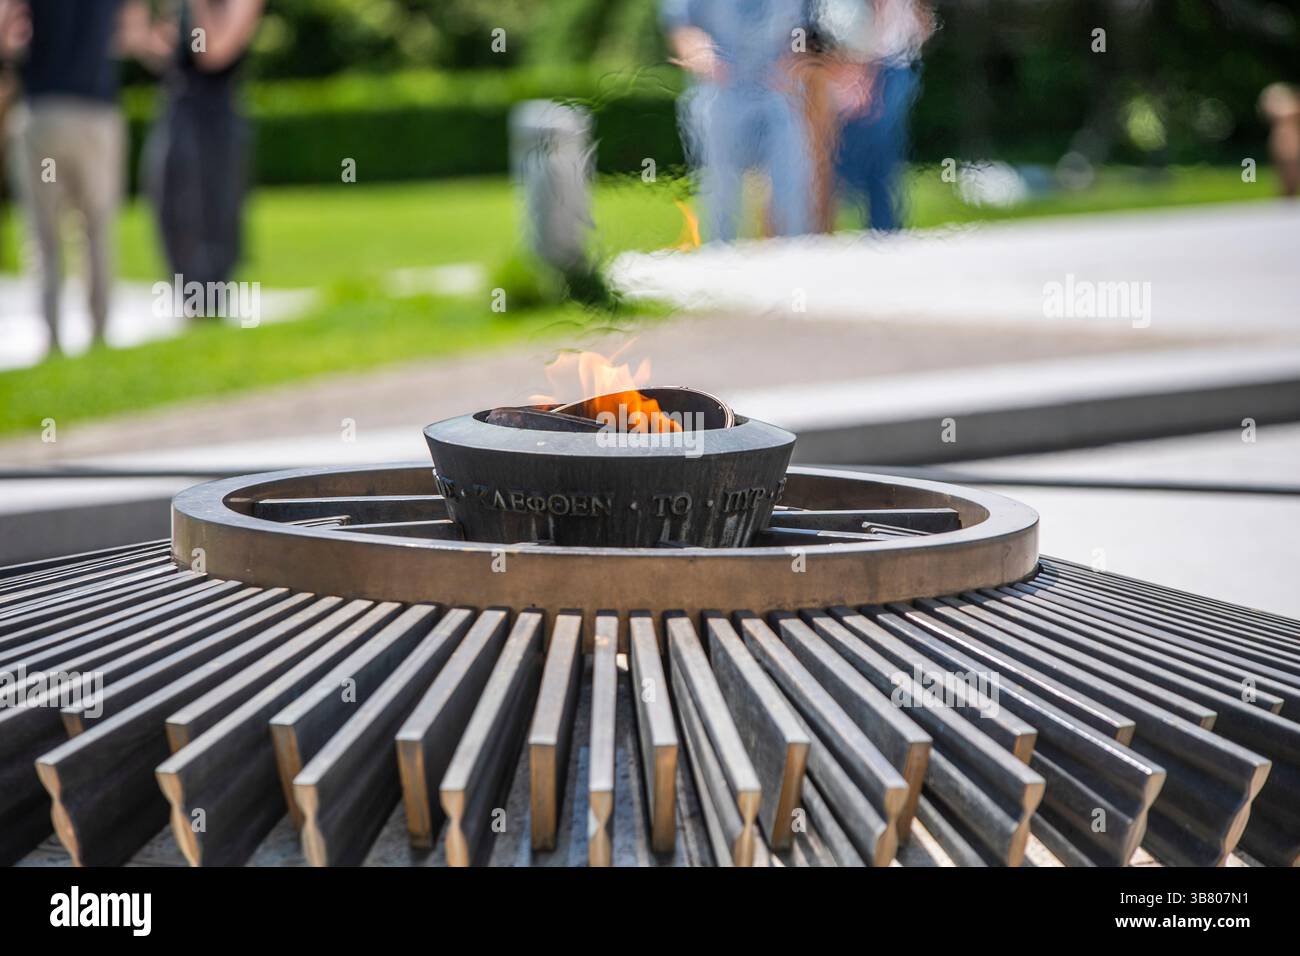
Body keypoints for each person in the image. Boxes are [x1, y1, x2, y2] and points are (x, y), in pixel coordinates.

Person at [2, 0, 131, 358]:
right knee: (97, 230)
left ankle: (52, 338)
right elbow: (129, 32)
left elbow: (6, 29)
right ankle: (100, 333)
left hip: (44, 109)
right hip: (98, 113)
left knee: (44, 234)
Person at [141, 0, 262, 305]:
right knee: (169, 201)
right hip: (177, 105)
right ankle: (187, 299)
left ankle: (211, 301)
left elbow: (214, 52)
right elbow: (166, 53)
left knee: (214, 208)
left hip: (216, 113)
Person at [662, 0, 813, 242]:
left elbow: (802, 29)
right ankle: (719, 264)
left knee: (793, 186)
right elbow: (680, 26)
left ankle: (795, 263)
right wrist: (700, 52)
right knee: (721, 191)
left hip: (776, 92)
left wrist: (794, 56)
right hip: (721, 94)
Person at [829, 0, 933, 232]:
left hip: (891, 63)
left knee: (881, 142)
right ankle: (880, 222)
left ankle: (882, 223)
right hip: (877, 63)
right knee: (875, 142)